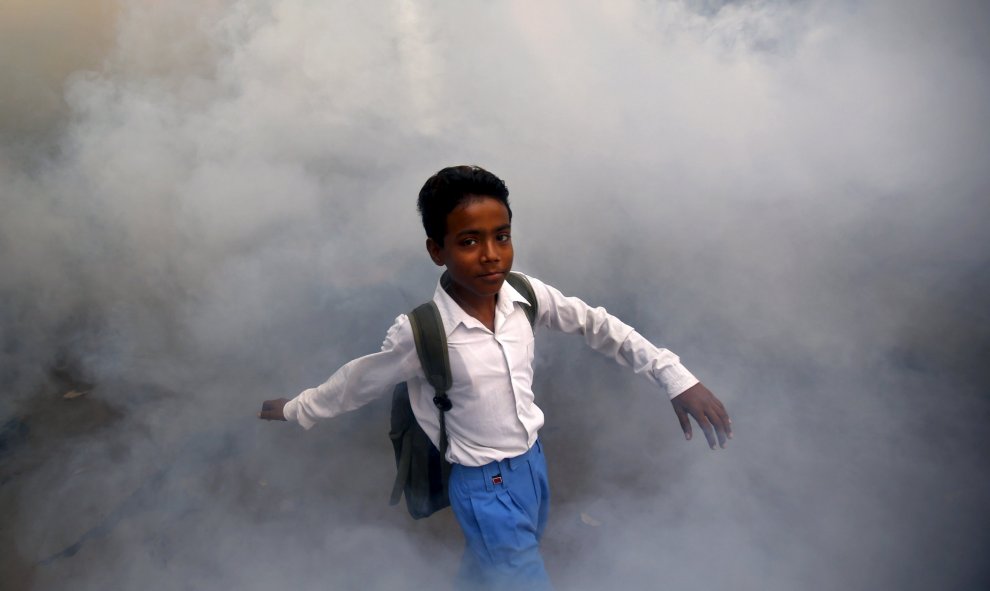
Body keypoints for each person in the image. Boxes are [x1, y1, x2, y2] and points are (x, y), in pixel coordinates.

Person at [258, 165, 732, 589]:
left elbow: (597, 324)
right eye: (468, 241)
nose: (491, 255)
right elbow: (356, 382)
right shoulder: (422, 333)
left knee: (493, 566)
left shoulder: (524, 294)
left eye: (501, 236)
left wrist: (676, 377)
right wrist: (295, 409)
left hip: (532, 466)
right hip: (484, 487)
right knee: (519, 573)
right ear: (436, 250)